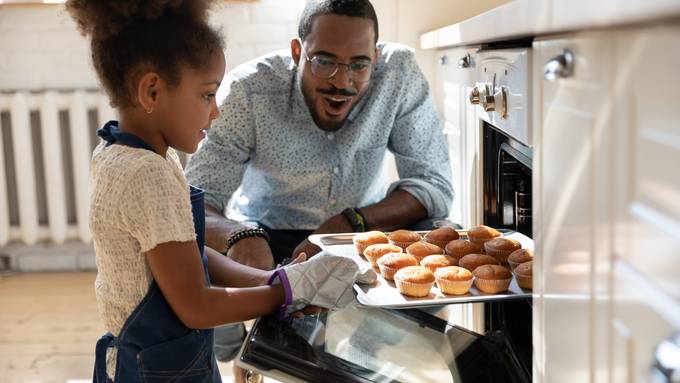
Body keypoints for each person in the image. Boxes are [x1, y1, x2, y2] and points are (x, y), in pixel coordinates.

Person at [66, 1, 362, 381]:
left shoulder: (124, 152)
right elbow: (196, 307)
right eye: (207, 95)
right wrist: (290, 292)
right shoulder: (147, 174)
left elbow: (182, 249)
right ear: (152, 91)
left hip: (161, 356)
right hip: (160, 371)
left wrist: (268, 281)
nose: (216, 111)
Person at [184, 0, 454, 375]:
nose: (342, 82)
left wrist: (350, 222)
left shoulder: (399, 73)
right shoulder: (249, 91)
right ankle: (242, 346)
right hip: (266, 233)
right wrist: (240, 235)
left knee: (443, 234)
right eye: (324, 61)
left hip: (359, 231)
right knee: (191, 257)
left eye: (359, 64)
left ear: (375, 57)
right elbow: (194, 199)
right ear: (298, 52)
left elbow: (433, 185)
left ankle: (364, 350)